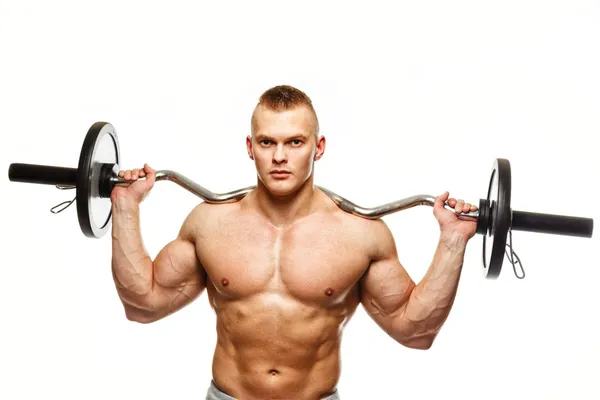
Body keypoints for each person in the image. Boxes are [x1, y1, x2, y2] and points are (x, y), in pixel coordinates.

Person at [110, 85, 478, 400]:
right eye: (267, 142)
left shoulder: (360, 234)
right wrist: (125, 205)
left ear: (317, 147)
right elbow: (143, 306)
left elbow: (415, 333)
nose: (280, 157)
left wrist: (452, 240)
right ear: (250, 147)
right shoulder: (209, 223)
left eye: (295, 142)